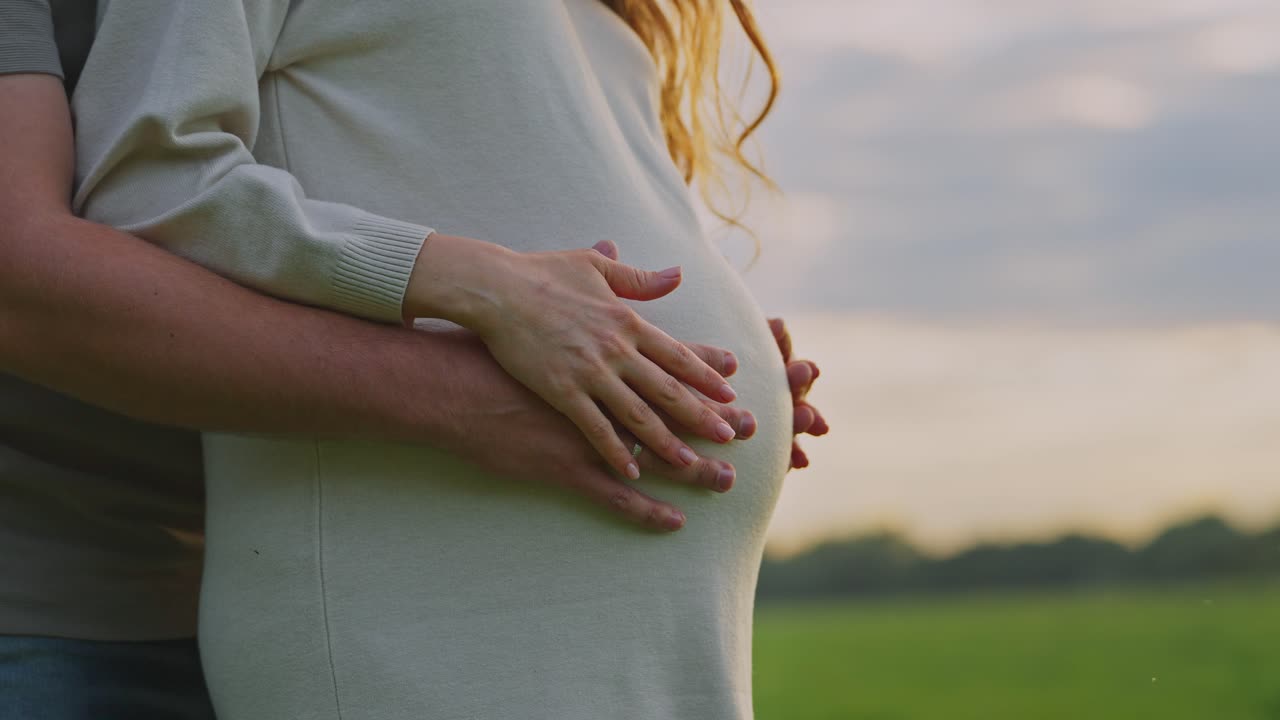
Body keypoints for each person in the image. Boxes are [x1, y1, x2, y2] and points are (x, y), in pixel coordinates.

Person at [0, 1, 827, 719]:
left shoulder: (615, 26)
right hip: (109, 596)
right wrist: (480, 297)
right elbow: (127, 200)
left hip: (608, 603)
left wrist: (700, 364)